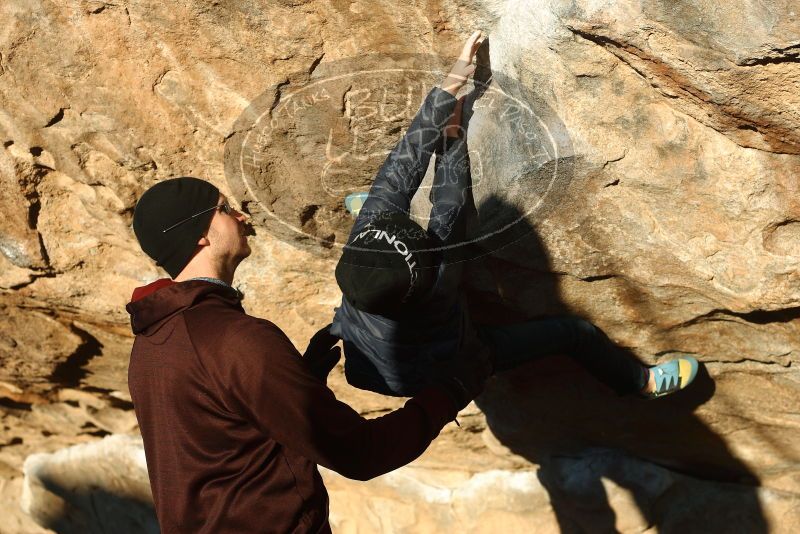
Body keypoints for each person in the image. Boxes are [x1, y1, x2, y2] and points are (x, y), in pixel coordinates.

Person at [331, 30, 699, 400]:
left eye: (386, 225)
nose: (395, 222)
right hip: (445, 367)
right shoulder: (438, 286)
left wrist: (452, 81)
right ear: (426, 274)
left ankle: (383, 254)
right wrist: (454, 135)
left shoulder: (367, 235)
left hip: (366, 364)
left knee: (382, 201)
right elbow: (450, 205)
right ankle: (641, 382)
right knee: (575, 334)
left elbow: (401, 165)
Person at [126, 175, 490, 532]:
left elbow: (222, 439)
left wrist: (300, 380)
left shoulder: (150, 344)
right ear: (199, 235)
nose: (242, 217)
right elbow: (361, 453)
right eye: (224, 209)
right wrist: (452, 389)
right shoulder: (236, 339)